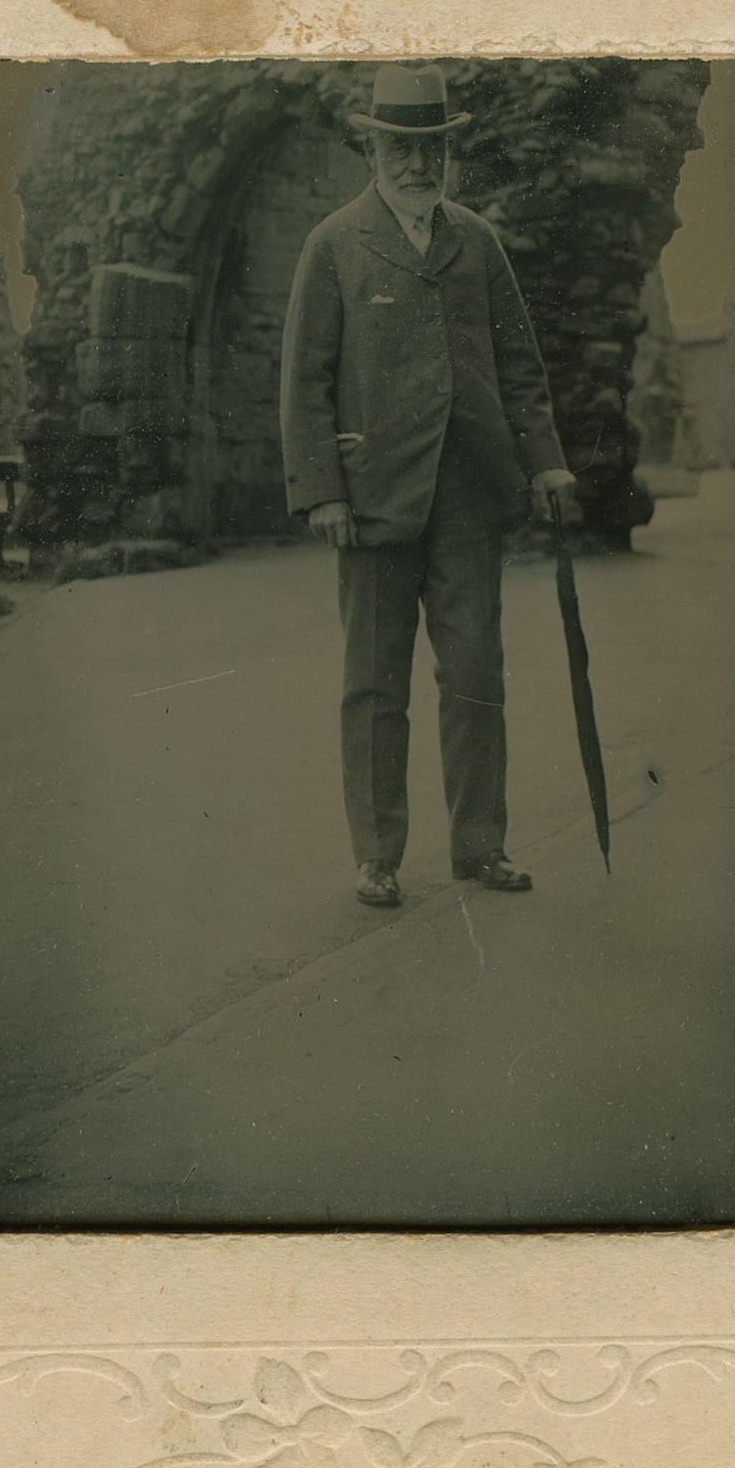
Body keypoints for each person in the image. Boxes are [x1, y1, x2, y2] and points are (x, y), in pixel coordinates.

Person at [279, 64, 577, 909]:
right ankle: (377, 855)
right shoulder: (334, 244)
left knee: (476, 672)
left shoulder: (476, 243)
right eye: (401, 149)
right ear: (371, 147)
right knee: (375, 684)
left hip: (468, 496)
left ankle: (481, 846)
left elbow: (519, 364)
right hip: (372, 500)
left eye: (432, 151)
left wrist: (545, 457)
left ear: (449, 155)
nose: (417, 166)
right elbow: (305, 380)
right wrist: (323, 491)